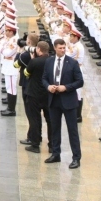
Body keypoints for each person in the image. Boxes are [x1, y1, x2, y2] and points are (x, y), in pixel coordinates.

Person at [42, 38, 83, 168]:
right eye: (60, 48)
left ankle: (76, 157)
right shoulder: (49, 61)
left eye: (64, 47)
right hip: (54, 99)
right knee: (55, 128)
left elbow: (80, 81)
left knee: (72, 130)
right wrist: (48, 86)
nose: (63, 50)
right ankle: (56, 153)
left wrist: (66, 87)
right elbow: (44, 78)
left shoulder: (72, 63)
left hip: (68, 100)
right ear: (55, 48)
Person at [21, 40, 50, 152]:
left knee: (34, 119)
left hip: (33, 94)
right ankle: (52, 145)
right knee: (50, 120)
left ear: (38, 49)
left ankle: (35, 143)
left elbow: (26, 73)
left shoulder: (35, 62)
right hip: (47, 94)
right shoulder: (52, 61)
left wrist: (32, 61)